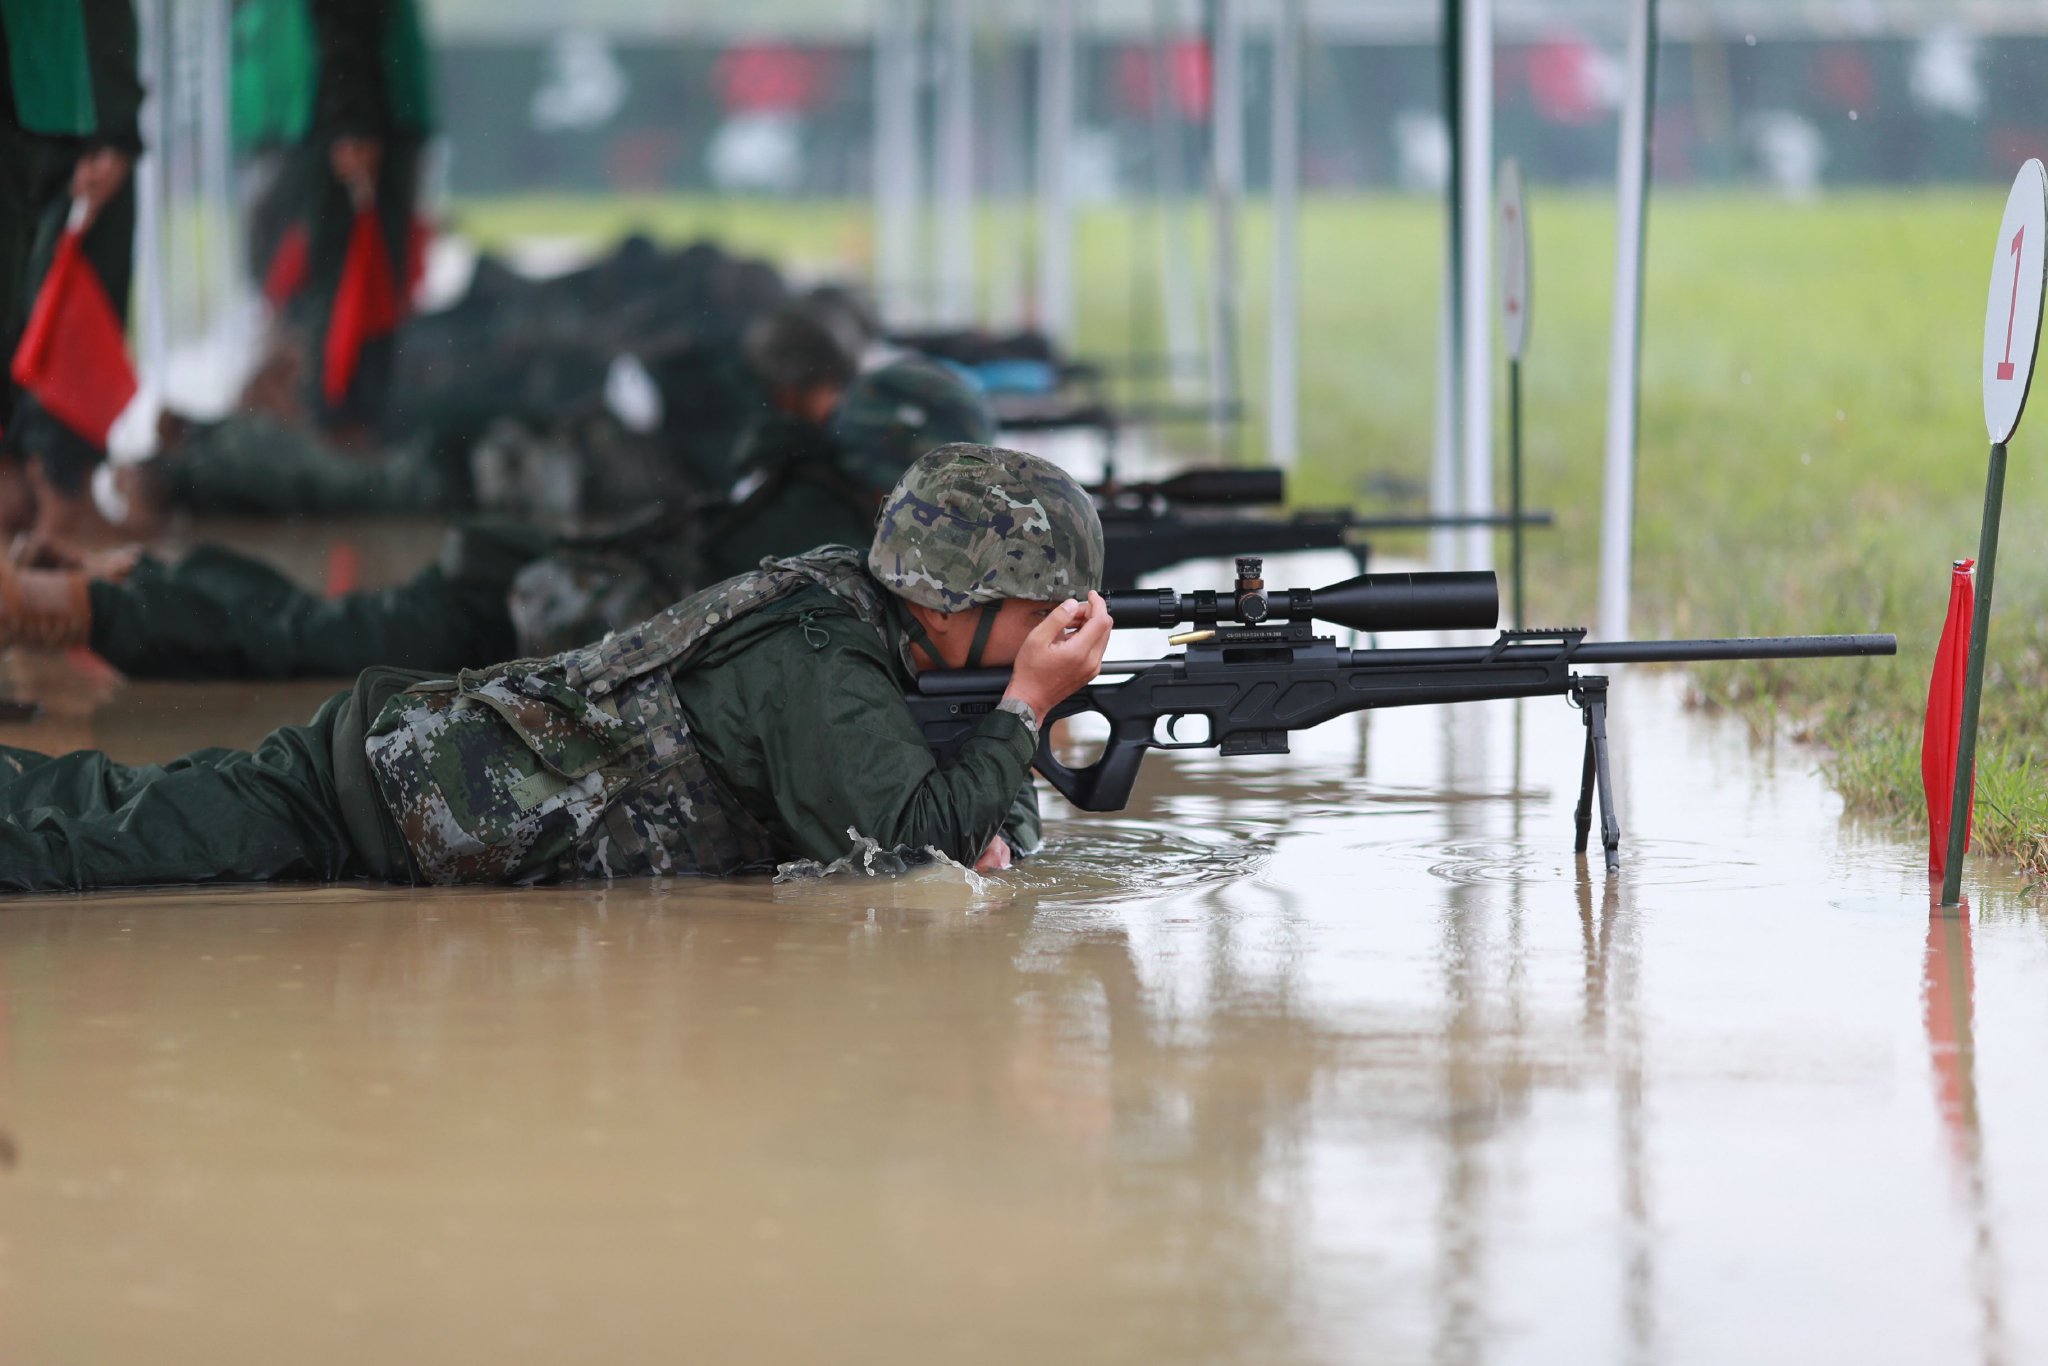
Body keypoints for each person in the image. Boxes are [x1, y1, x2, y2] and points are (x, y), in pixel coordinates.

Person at [0, 442, 1111, 892]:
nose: (1053, 639)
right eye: (1037, 618)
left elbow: (962, 823)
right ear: (955, 600)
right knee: (104, 844)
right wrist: (1026, 707)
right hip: (384, 800)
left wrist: (1006, 758)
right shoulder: (823, 658)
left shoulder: (870, 633)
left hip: (424, 794)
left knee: (123, 809)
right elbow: (911, 847)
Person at [0, 358, 996, 674]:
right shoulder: (822, 529)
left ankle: (111, 582)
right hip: (524, 605)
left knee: (310, 625)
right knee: (300, 636)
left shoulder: (792, 479)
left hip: (531, 586)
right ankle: (68, 603)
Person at [0, 0, 143, 542]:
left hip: (42, 91)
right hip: (49, 96)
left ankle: (35, 484)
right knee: (64, 289)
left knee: (31, 288)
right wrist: (113, 125)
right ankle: (60, 492)